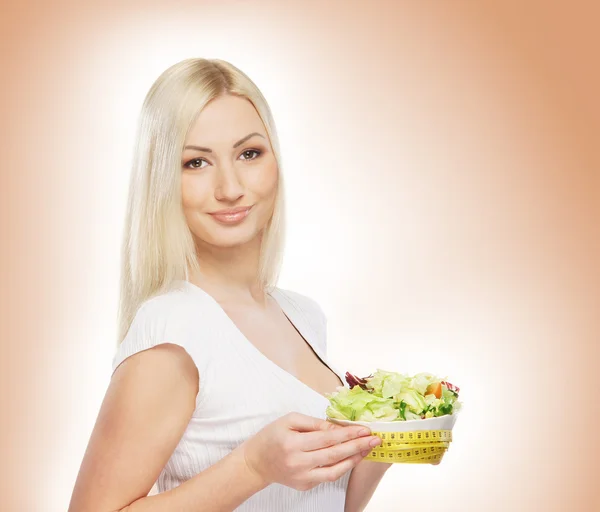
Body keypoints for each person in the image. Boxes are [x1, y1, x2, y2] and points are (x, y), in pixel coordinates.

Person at [68, 58, 390, 512]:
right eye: (195, 162)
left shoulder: (302, 315)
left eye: (249, 154)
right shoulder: (172, 329)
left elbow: (323, 502)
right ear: (163, 180)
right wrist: (252, 467)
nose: (231, 187)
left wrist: (384, 443)